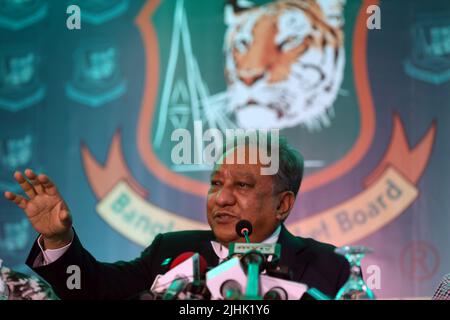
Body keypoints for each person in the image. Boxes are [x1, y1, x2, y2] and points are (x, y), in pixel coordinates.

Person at [3, 136, 349, 299]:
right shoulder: (172, 250)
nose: (222, 198)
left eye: (242, 185)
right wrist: (59, 241)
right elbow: (94, 290)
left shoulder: (329, 265)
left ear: (283, 204)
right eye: (216, 183)